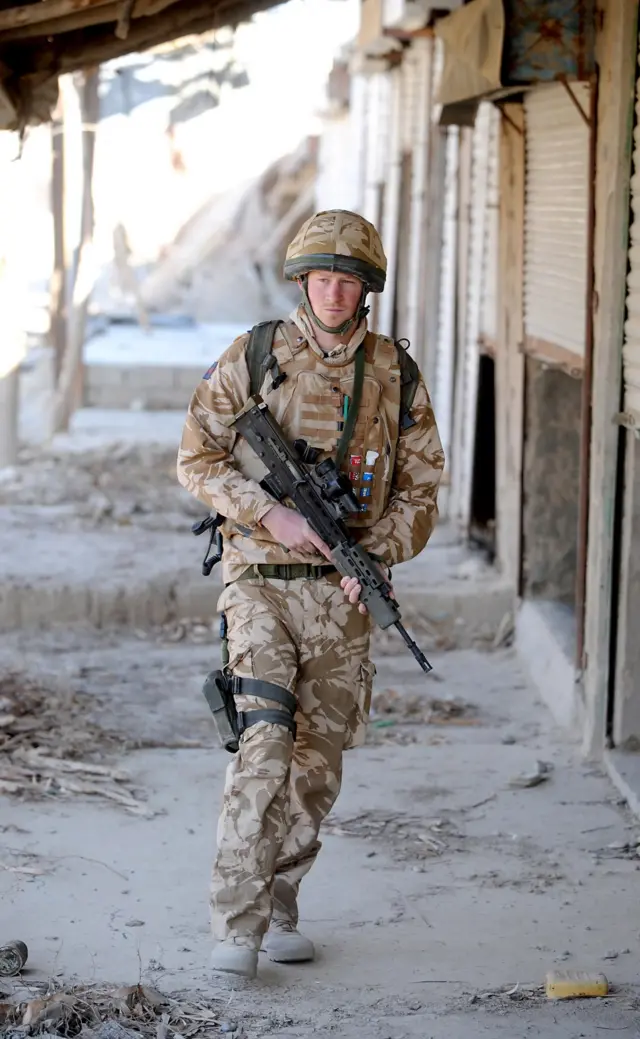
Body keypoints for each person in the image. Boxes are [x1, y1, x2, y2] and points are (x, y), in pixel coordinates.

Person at [177, 209, 444, 979]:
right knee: (264, 743)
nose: (333, 291)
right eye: (321, 277)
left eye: (348, 280)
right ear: (303, 280)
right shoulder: (256, 353)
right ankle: (237, 920)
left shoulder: (397, 373)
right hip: (258, 579)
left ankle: (281, 899)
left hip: (343, 593)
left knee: (317, 763)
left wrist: (378, 555)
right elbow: (196, 457)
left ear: (367, 289)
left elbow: (424, 486)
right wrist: (271, 511)